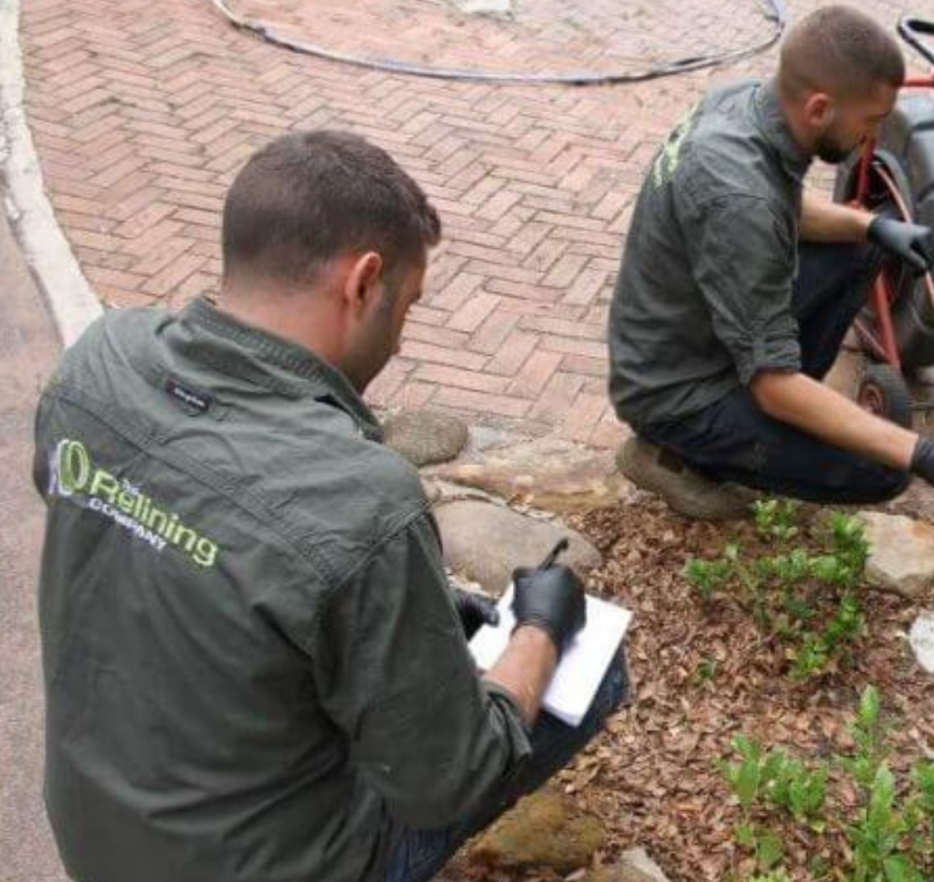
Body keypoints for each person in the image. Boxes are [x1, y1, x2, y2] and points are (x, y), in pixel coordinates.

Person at [31, 130, 627, 882]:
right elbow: (452, 780)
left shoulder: (98, 362)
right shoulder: (361, 497)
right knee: (589, 660)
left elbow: (184, 551)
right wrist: (538, 628)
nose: (402, 340)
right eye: (406, 306)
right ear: (363, 282)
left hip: (98, 832)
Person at [608, 5, 934, 519]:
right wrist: (924, 453)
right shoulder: (738, 198)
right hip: (675, 392)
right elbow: (773, 383)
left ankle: (777, 425)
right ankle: (674, 456)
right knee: (885, 468)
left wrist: (874, 226)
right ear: (819, 109)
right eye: (869, 123)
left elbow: (776, 207)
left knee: (864, 244)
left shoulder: (744, 104)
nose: (871, 138)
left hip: (700, 331)